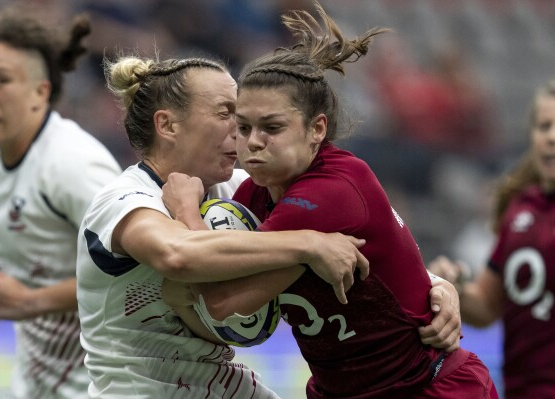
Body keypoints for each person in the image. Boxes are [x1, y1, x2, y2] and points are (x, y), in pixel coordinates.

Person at [75, 38, 460, 397]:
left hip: (223, 384)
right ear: (168, 125)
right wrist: (309, 244)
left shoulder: (243, 188)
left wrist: (437, 286)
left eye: (252, 120)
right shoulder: (124, 200)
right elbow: (179, 256)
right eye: (230, 115)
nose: (244, 134)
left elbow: (373, 241)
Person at [161, 2, 498, 398]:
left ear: (316, 128)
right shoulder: (256, 192)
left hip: (426, 388)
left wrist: (185, 208)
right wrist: (437, 284)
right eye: (244, 127)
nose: (252, 143)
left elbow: (223, 300)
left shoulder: (329, 193)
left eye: (272, 127)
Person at [0, 6, 122, 399]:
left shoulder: (73, 164)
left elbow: (136, 274)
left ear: (40, 92)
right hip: (37, 385)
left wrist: (30, 301)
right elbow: (43, 268)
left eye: (0, 80)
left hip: (101, 387)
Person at [428, 80, 555, 399]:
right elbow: (486, 306)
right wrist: (452, 283)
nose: (551, 137)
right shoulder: (520, 210)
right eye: (544, 126)